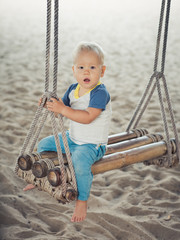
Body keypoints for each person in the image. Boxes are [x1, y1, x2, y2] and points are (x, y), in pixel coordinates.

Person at [23, 42, 112, 222]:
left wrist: (62, 109)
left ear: (102, 71)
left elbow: (87, 117)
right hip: (73, 139)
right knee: (44, 145)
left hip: (92, 145)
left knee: (79, 162)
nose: (86, 72)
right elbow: (59, 113)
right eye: (81, 67)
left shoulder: (99, 93)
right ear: (74, 70)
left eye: (92, 67)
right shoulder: (73, 89)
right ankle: (41, 177)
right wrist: (50, 105)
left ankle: (82, 200)